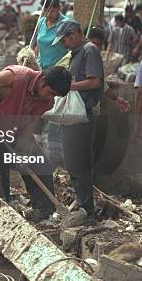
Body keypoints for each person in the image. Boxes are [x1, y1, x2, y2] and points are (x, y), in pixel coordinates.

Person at [0, 65, 72, 216]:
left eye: (55, 95)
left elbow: (29, 126)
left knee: (41, 164)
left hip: (13, 132)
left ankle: (44, 212)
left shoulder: (46, 102)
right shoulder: (16, 77)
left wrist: (24, 151)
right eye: (50, 92)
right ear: (42, 81)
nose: (51, 98)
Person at [52, 19, 104, 219]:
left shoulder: (89, 50)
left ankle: (86, 209)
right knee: (73, 162)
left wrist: (70, 87)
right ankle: (83, 204)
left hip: (83, 115)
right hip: (75, 115)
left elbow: (95, 81)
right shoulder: (76, 53)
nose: (64, 44)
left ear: (73, 34)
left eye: (64, 40)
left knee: (79, 162)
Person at [88, 26, 130, 113]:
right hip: (78, 108)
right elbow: (96, 82)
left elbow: (101, 84)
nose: (95, 47)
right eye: (93, 43)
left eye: (99, 45)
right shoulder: (76, 56)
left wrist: (116, 98)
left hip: (92, 108)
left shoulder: (96, 58)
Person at [31, 0, 69, 71]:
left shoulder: (66, 23)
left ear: (58, 9)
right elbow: (39, 46)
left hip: (58, 69)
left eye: (52, 11)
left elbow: (72, 48)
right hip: (41, 68)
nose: (48, 14)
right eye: (45, 11)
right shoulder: (41, 22)